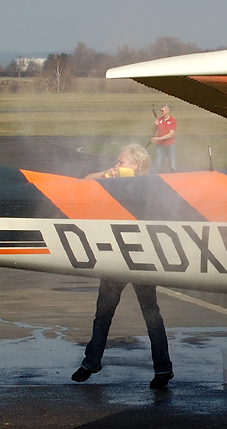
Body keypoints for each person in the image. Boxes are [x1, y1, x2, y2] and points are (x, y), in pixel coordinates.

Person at [73, 143, 173, 389]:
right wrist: (107, 174)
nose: (117, 165)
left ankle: (163, 368)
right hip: (117, 255)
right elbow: (83, 182)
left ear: (136, 165)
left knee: (151, 314)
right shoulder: (113, 183)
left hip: (140, 257)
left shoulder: (151, 185)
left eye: (121, 162)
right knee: (103, 313)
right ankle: (91, 362)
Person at [151, 103, 176, 173]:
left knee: (172, 166)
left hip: (169, 145)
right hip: (160, 145)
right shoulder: (159, 120)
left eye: (162, 110)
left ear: (168, 111)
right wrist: (155, 125)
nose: (161, 112)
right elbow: (153, 131)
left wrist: (158, 138)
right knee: (158, 166)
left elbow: (171, 134)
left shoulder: (172, 121)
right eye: (160, 110)